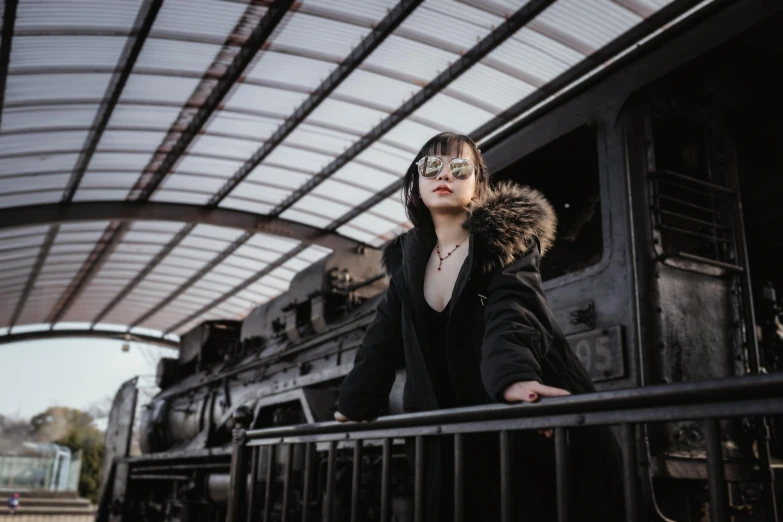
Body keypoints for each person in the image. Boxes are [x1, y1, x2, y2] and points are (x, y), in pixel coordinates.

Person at [335, 132, 624, 521]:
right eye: (431, 167)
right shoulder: (408, 262)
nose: (445, 174)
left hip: (509, 413)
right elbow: (382, 338)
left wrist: (514, 377)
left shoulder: (505, 242)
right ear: (416, 184)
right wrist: (356, 402)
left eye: (459, 167)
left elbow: (512, 310)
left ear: (476, 184)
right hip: (444, 427)